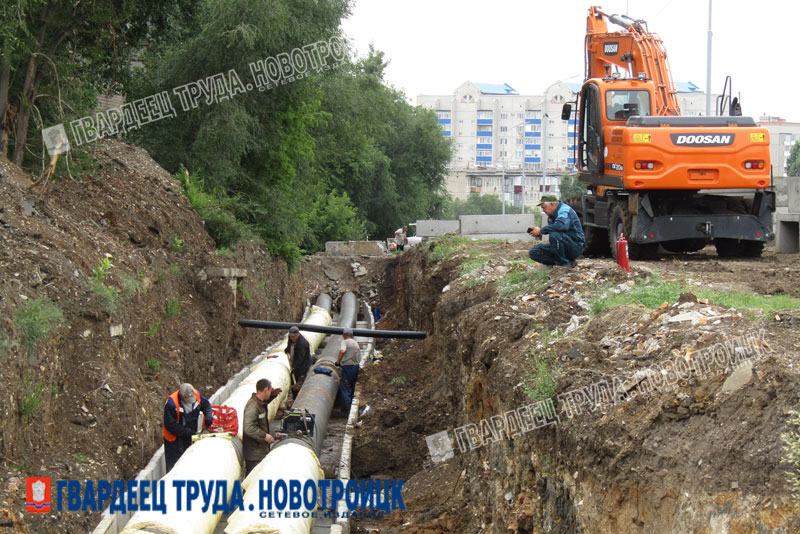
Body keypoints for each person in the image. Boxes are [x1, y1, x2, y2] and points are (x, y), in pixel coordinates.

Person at [162, 383, 213, 472]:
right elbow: (170, 425)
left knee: (188, 462)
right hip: (174, 440)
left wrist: (208, 416)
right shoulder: (171, 403)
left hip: (189, 435)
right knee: (174, 467)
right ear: (181, 396)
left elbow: (206, 405)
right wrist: (188, 432)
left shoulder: (196, 395)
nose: (190, 401)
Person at [528, 195, 585, 267]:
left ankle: (563, 265)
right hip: (562, 244)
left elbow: (561, 226)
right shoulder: (551, 216)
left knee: (554, 235)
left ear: (551, 204)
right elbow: (553, 229)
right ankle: (566, 262)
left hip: (575, 246)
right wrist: (537, 232)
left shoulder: (564, 210)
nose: (543, 211)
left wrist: (541, 231)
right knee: (534, 252)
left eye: (544, 208)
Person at [242, 378, 282, 476]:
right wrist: (264, 436)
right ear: (265, 390)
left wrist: (273, 395)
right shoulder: (253, 406)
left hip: (259, 451)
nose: (270, 392)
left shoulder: (259, 403)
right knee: (252, 481)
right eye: (270, 390)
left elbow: (265, 402)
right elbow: (248, 428)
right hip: (254, 453)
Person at [334, 328, 360, 413]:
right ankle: (351, 409)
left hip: (347, 367)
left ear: (344, 335)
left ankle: (346, 410)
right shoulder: (355, 342)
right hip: (355, 367)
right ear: (352, 335)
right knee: (351, 387)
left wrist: (338, 361)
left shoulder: (345, 342)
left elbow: (342, 350)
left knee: (345, 388)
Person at [285, 325, 312, 398]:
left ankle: (300, 398)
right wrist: (287, 349)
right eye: (291, 336)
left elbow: (300, 358)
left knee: (299, 383)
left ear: (298, 334)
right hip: (295, 362)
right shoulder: (290, 338)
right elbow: (289, 344)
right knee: (293, 380)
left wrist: (294, 367)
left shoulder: (302, 344)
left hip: (303, 366)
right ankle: (294, 397)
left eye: (294, 336)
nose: (292, 338)